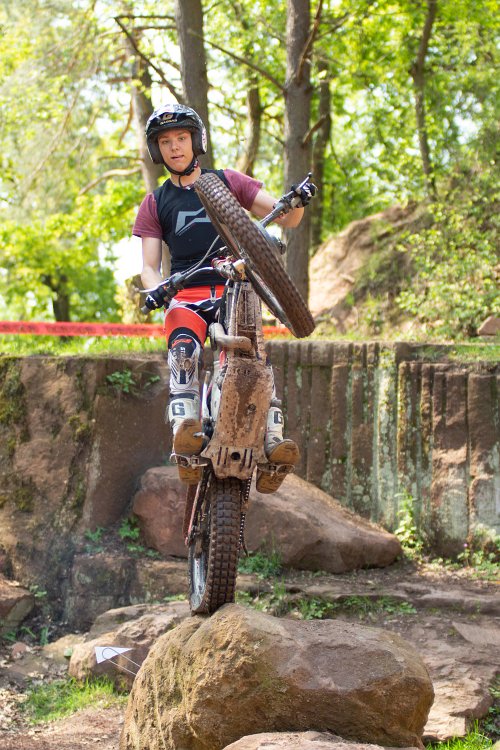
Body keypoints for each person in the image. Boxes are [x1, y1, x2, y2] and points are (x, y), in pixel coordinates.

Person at [132, 103, 314, 492]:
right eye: (166, 141)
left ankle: (273, 439)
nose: (175, 147)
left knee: (256, 358)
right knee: (183, 347)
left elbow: (287, 218)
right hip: (187, 291)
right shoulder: (155, 202)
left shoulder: (227, 181)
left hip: (235, 288)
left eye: (182, 138)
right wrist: (158, 287)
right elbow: (148, 265)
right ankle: (185, 431)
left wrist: (296, 202)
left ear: (196, 141)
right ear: (156, 150)